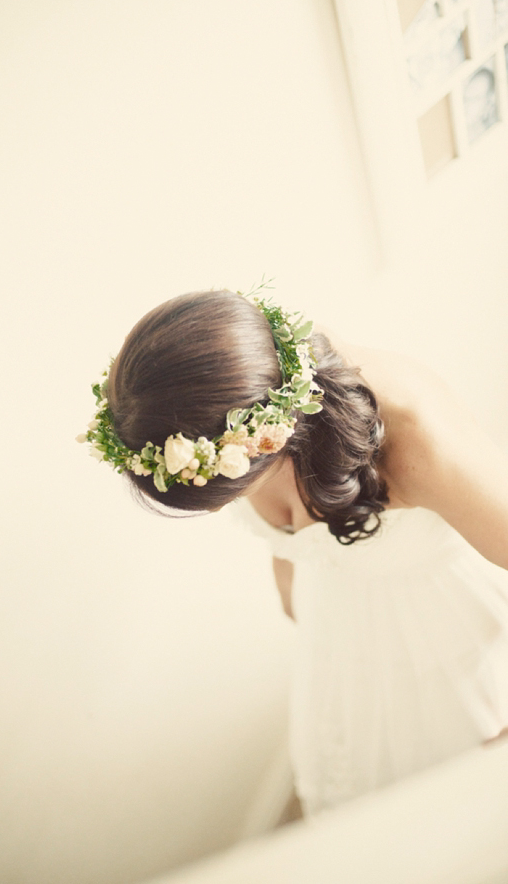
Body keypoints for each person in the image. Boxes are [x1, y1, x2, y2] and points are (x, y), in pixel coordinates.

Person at [78, 287, 508, 816]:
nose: (219, 510)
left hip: (445, 643)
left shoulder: (417, 444)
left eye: (220, 496)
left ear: (265, 443)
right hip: (340, 642)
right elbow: (301, 542)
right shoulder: (245, 390)